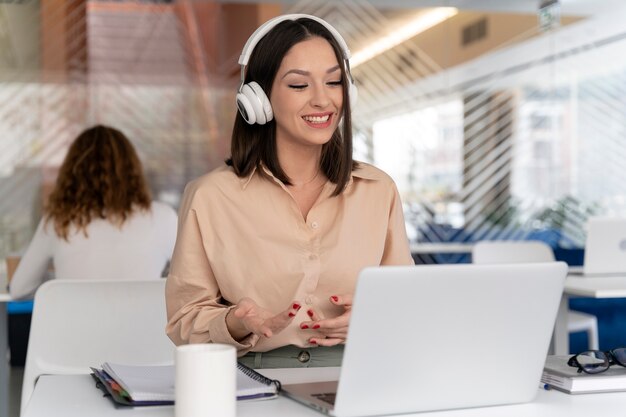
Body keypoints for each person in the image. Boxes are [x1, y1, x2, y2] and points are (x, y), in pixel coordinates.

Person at [165, 14, 414, 369]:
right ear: (258, 99)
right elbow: (183, 320)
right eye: (299, 85)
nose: (322, 100)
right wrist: (236, 322)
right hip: (255, 379)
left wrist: (376, 314)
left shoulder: (378, 190)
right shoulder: (210, 196)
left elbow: (406, 302)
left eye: (334, 82)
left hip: (362, 372)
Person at [9, 125, 178, 300]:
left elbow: (19, 290)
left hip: (75, 327)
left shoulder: (57, 221)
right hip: (145, 327)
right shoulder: (164, 218)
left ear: (72, 172)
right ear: (132, 170)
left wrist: (59, 282)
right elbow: (195, 286)